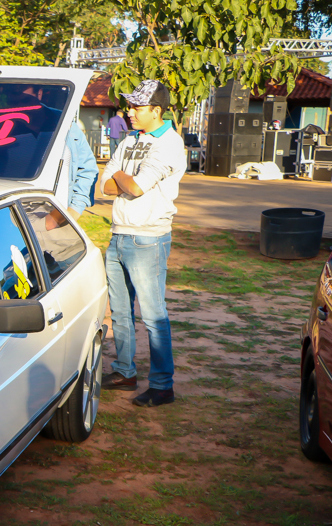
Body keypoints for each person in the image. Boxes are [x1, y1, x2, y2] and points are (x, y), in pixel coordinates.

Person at [98, 79, 187, 407]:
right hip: (119, 233)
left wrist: (121, 177)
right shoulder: (130, 140)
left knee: (152, 315)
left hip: (148, 238)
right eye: (130, 106)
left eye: (136, 107)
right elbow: (101, 185)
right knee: (119, 312)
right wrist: (123, 179)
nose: (129, 112)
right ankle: (125, 371)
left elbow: (132, 187)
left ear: (156, 110)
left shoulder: (169, 144)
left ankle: (163, 386)